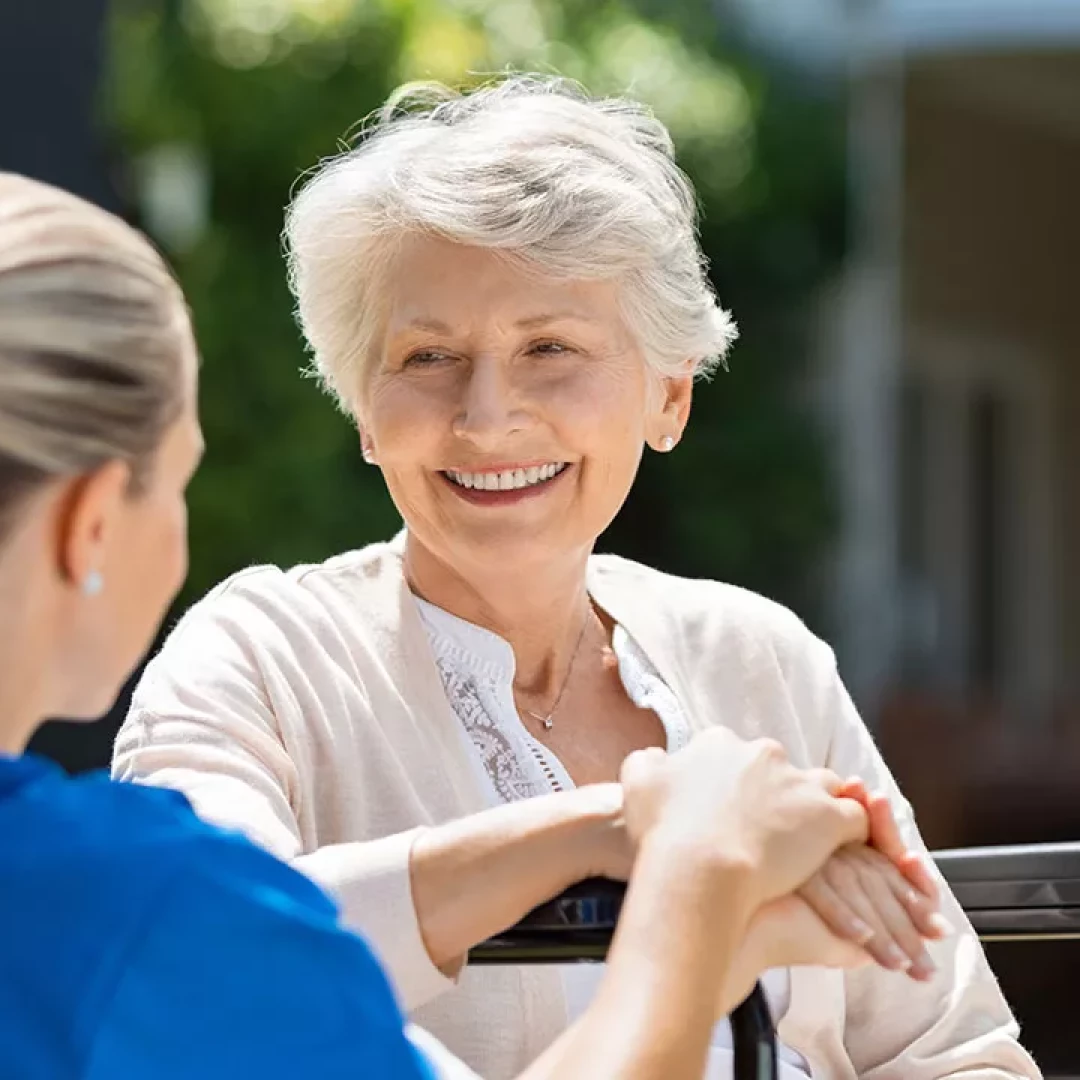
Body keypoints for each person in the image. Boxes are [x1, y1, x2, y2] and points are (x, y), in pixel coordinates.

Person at [112, 75, 1038, 1079]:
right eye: (427, 357)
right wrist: (635, 831)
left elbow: (956, 1050)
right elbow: (190, 957)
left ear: (668, 396)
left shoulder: (758, 654)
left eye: (549, 347)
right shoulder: (260, 654)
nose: (486, 416)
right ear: (364, 411)